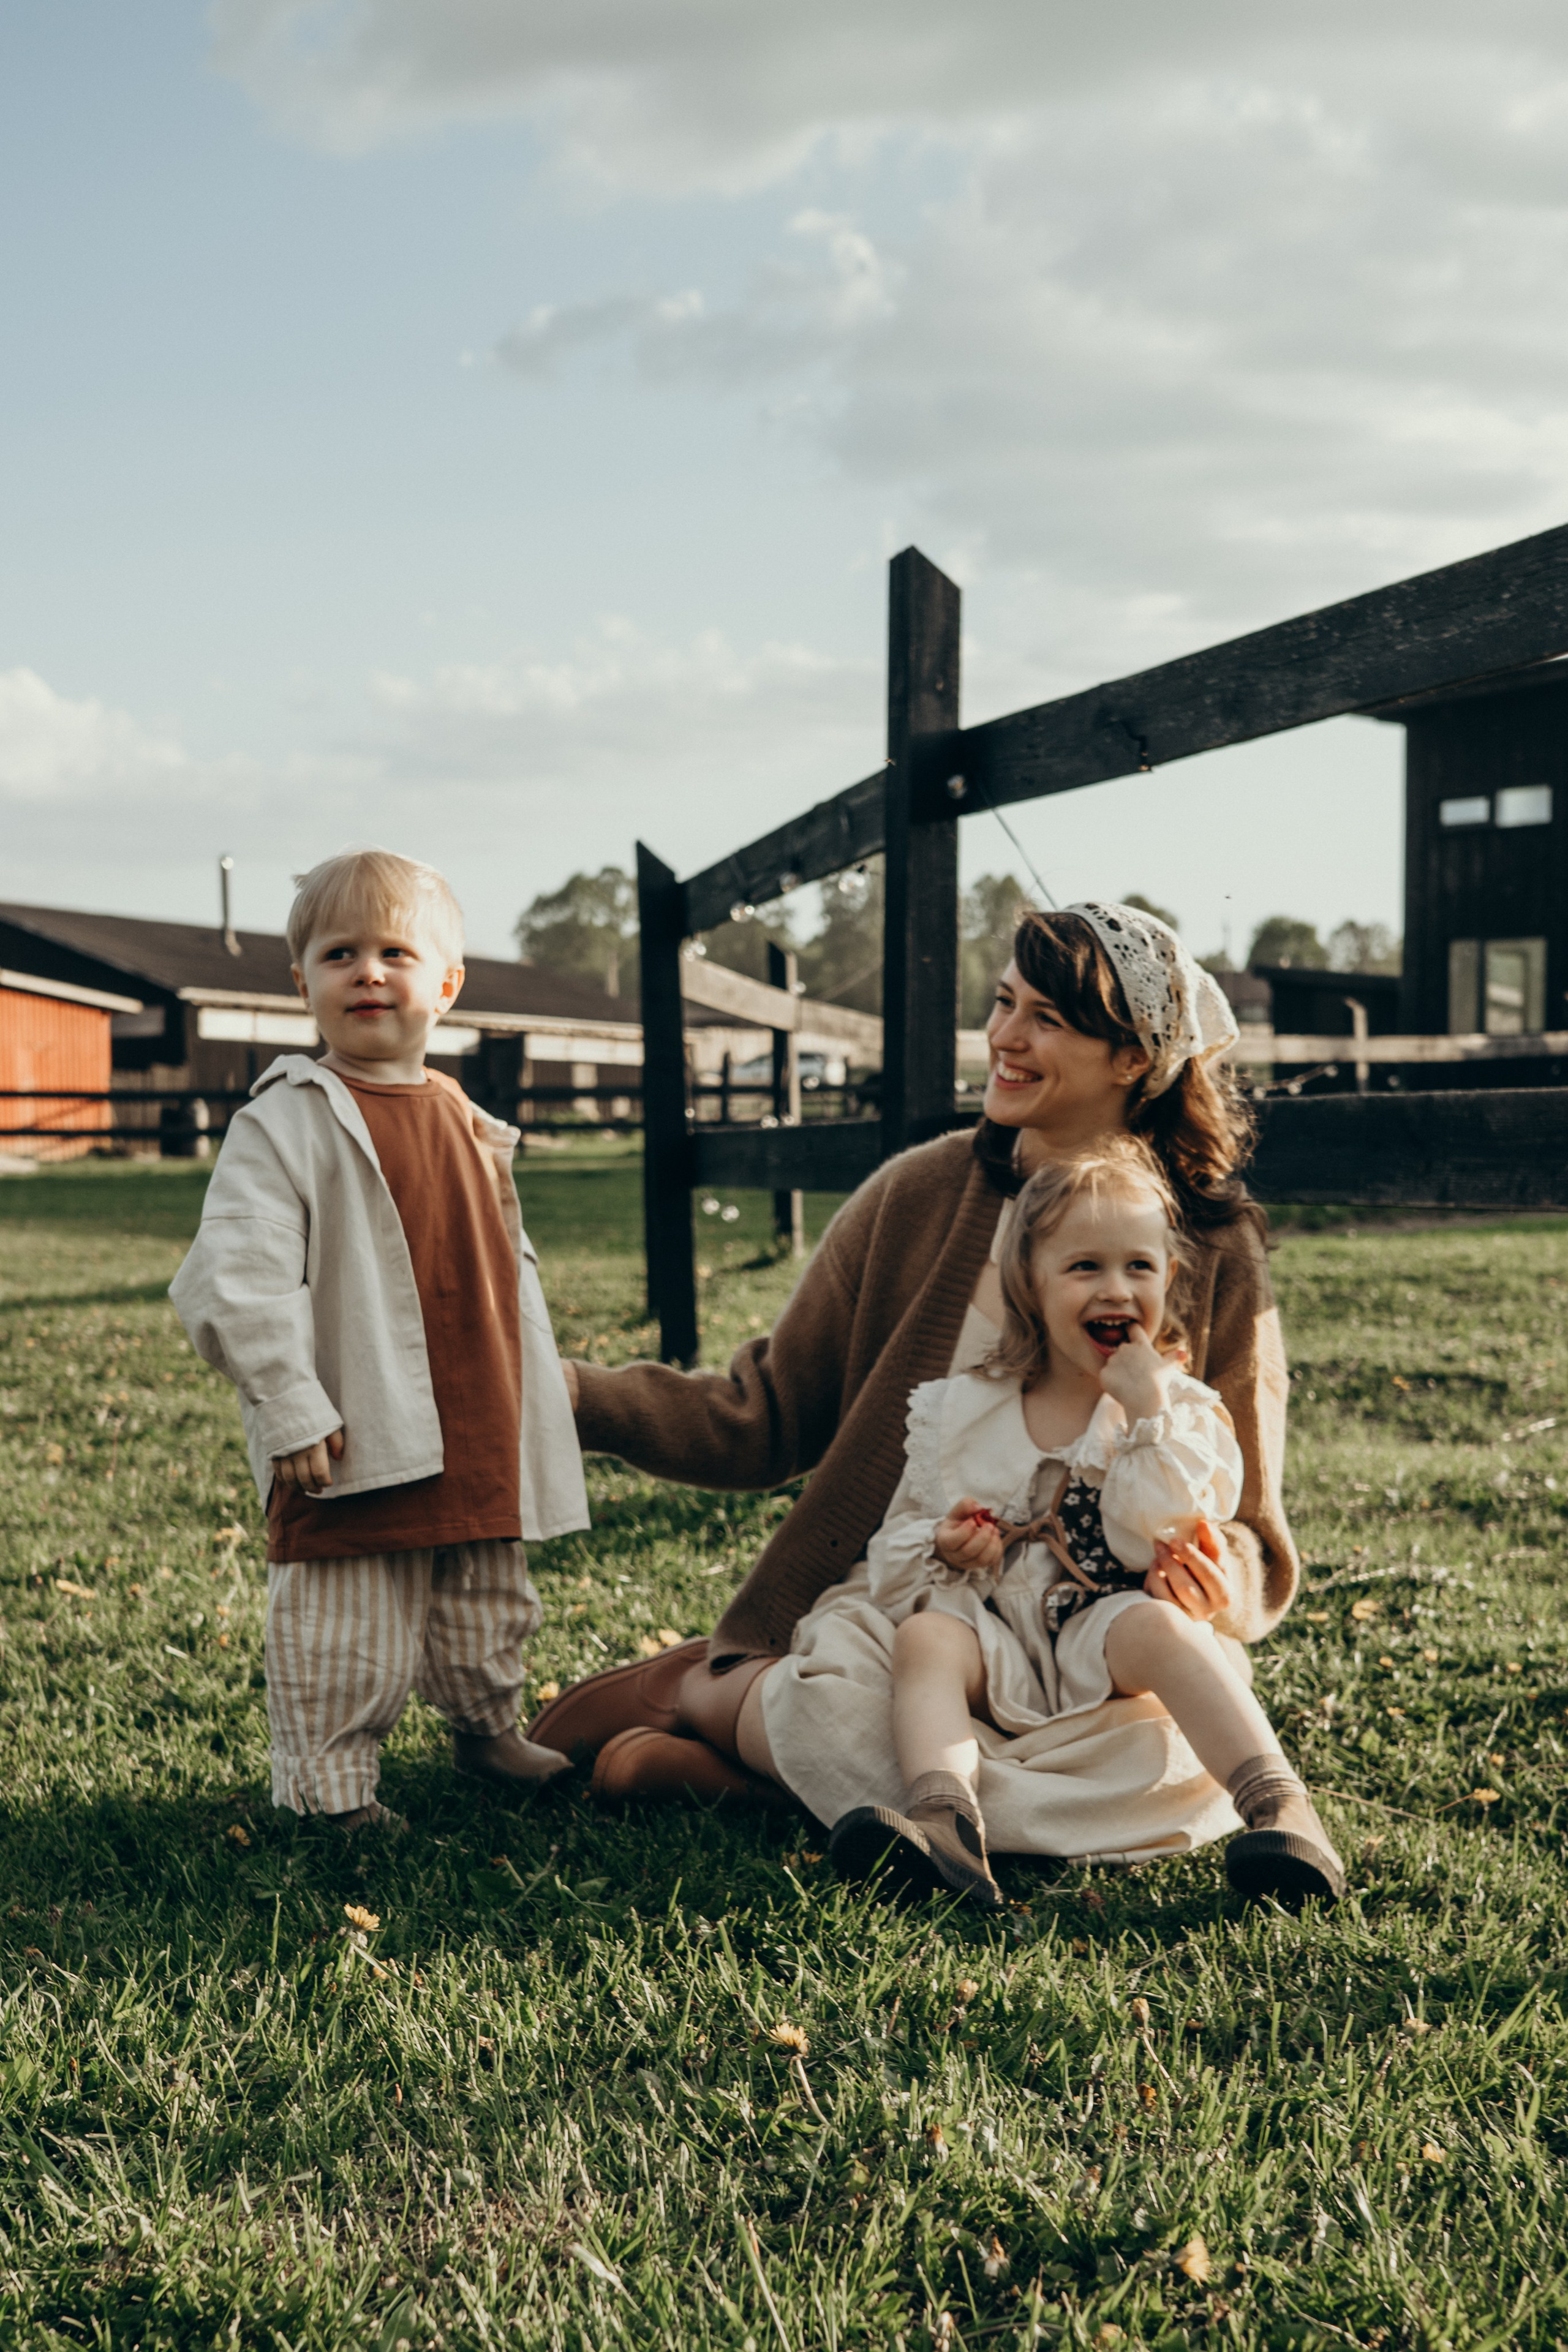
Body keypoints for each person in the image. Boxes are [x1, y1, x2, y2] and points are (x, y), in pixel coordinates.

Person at [530, 900, 1314, 1887]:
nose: (1005, 1039)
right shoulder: (919, 1196)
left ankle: (769, 1785)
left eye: (1047, 1020)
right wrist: (572, 1394)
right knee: (858, 1695)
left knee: (1168, 1765)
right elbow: (764, 1415)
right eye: (1002, 1003)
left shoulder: (1213, 1246)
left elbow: (1250, 1525)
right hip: (925, 1617)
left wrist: (1219, 1579)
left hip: (1100, 1644)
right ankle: (713, 1699)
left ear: (1132, 1061)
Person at [170, 848, 586, 1829]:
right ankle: (330, 1792)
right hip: (354, 1426)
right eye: (339, 952)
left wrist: (539, 1379)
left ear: (445, 985)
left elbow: (500, 1268)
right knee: (346, 1619)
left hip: (477, 1416)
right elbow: (235, 1277)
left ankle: (486, 1728)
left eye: (395, 951)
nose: (367, 971)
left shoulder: (469, 1121)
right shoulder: (285, 1125)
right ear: (302, 983)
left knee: (484, 1597)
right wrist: (289, 1403)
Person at [827, 1138, 1340, 1910]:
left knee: (1162, 1629)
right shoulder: (962, 1409)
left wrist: (1145, 1410)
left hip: (1104, 1636)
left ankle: (1279, 1809)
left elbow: (1154, 1535)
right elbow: (896, 1545)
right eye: (1084, 1268)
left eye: (1139, 1267)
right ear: (1030, 1285)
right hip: (994, 1636)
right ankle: (946, 1820)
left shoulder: (1179, 1411)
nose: (1116, 1289)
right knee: (924, 1637)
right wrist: (944, 1544)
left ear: (1169, 1280)